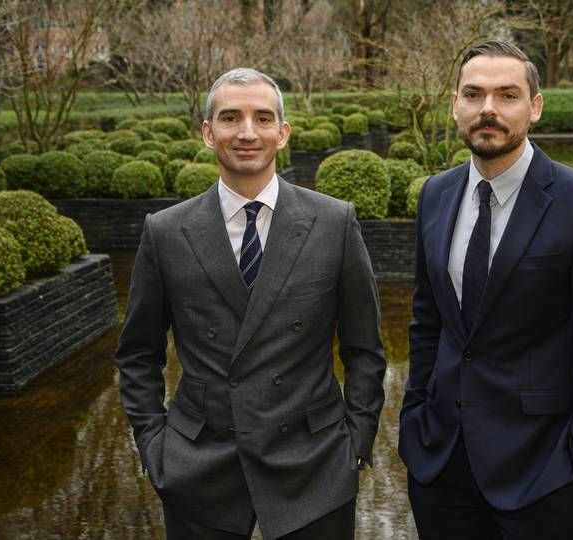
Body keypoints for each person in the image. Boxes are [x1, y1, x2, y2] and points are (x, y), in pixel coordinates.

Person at [115, 68, 386, 540]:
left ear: (283, 134)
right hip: (200, 466)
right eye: (230, 118)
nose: (246, 132)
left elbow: (364, 348)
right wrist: (154, 446)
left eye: (262, 118)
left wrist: (356, 442)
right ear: (207, 133)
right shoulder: (165, 231)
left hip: (314, 463)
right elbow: (138, 355)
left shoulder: (334, 222)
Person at [398, 40, 573, 540]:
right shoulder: (435, 195)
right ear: (455, 105)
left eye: (507, 95)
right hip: (441, 464)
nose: (488, 109)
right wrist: (413, 422)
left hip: (544, 472)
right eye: (474, 94)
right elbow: (427, 321)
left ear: (535, 106)